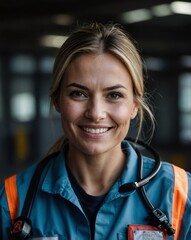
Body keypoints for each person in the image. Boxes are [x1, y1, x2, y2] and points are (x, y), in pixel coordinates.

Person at [0, 22, 190, 240]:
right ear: (57, 100)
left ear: (135, 106)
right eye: (78, 94)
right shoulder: (13, 202)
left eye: (114, 95)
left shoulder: (179, 195)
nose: (96, 113)